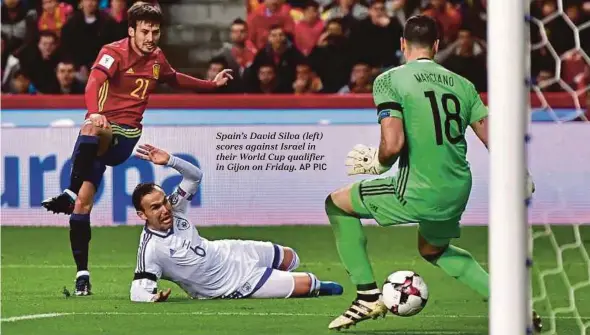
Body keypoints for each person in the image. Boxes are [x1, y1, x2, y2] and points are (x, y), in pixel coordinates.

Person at [324, 15, 541, 331]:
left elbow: (393, 143)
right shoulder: (463, 85)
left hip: (417, 188)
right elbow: (495, 137)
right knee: (432, 249)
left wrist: (378, 163)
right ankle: (513, 307)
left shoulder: (389, 80)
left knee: (337, 204)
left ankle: (368, 296)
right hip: (457, 188)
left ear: (402, 44)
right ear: (437, 46)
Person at [41, 1, 233, 296]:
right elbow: (93, 82)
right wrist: (94, 110)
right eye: (145, 31)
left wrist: (211, 84)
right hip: (101, 132)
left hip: (124, 136)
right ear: (131, 30)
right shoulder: (112, 52)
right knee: (83, 205)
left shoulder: (156, 58)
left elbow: (176, 78)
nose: (151, 37)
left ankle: (68, 191)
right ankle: (82, 276)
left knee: (90, 130)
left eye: (155, 31)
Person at [130, 143, 344, 302]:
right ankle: (276, 283)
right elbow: (138, 290)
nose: (165, 209)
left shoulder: (175, 207)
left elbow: (194, 177)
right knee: (309, 283)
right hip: (229, 283)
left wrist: (170, 161)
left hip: (229, 251)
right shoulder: (151, 248)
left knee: (290, 257)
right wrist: (152, 298)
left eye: (164, 201)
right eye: (155, 207)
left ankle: (274, 281)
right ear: (142, 215)